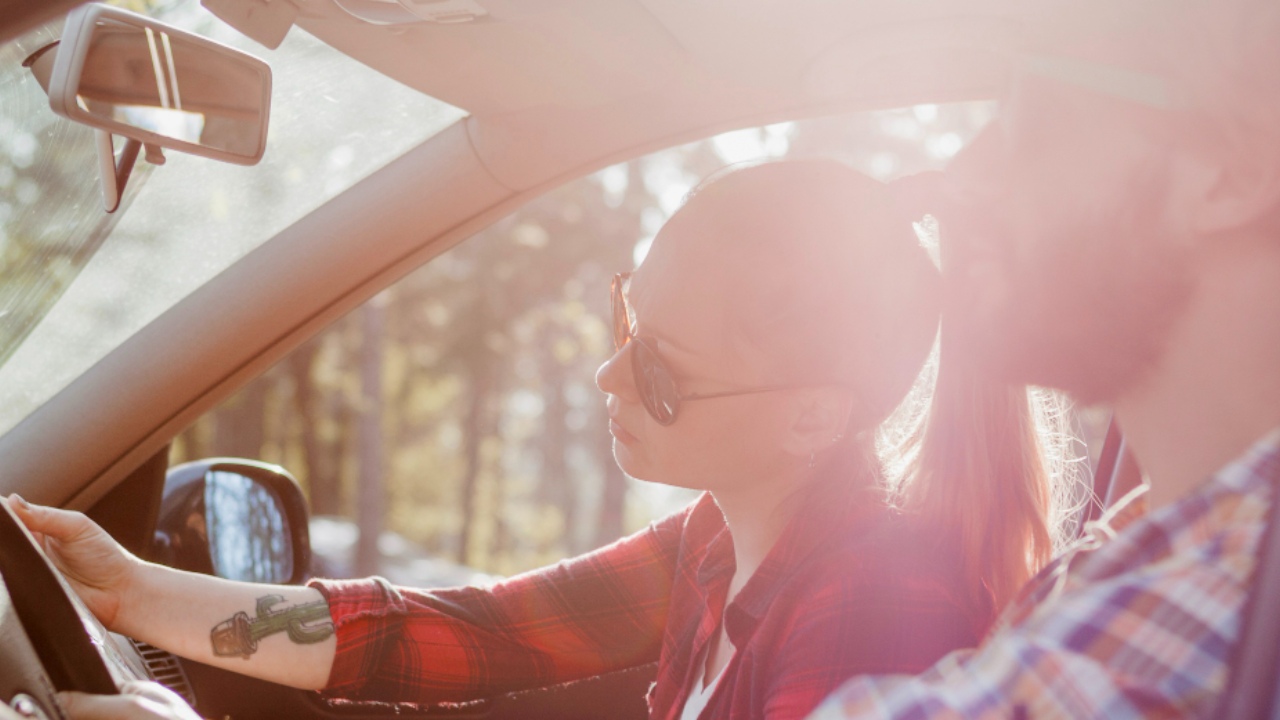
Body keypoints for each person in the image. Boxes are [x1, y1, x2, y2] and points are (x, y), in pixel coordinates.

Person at [11, 160, 1061, 720]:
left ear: (813, 414)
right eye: (626, 325)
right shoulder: (718, 541)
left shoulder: (878, 615)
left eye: (661, 369)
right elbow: (475, 635)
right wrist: (129, 592)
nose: (608, 376)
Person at [805, 0, 1280, 716]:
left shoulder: (1218, 611)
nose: (965, 167)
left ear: (1231, 166)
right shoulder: (1123, 557)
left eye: (1030, 109)